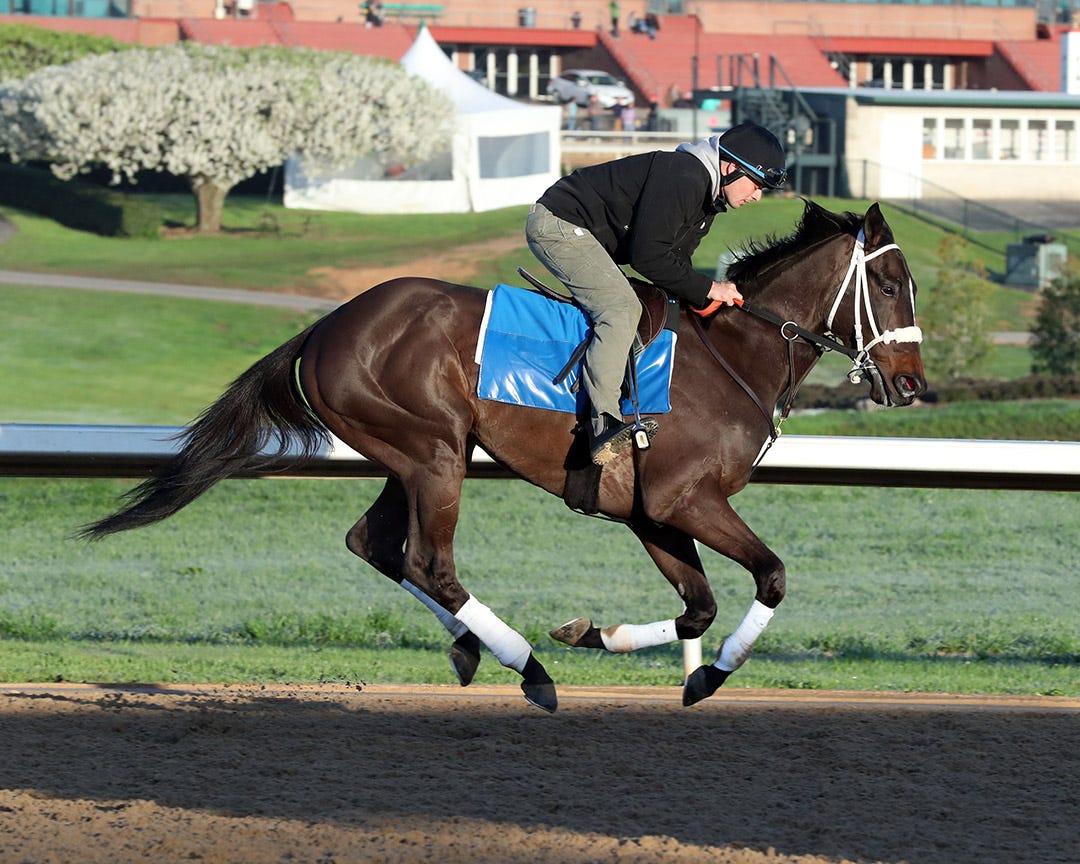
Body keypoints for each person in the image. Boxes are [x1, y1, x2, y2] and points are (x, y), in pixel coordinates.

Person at [525, 122, 787, 465]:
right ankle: (602, 422)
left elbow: (676, 263)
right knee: (621, 309)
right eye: (756, 184)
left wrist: (703, 300)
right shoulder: (685, 176)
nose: (757, 196)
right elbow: (648, 257)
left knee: (667, 305)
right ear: (730, 167)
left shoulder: (708, 198)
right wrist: (710, 287)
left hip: (589, 235)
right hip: (558, 223)